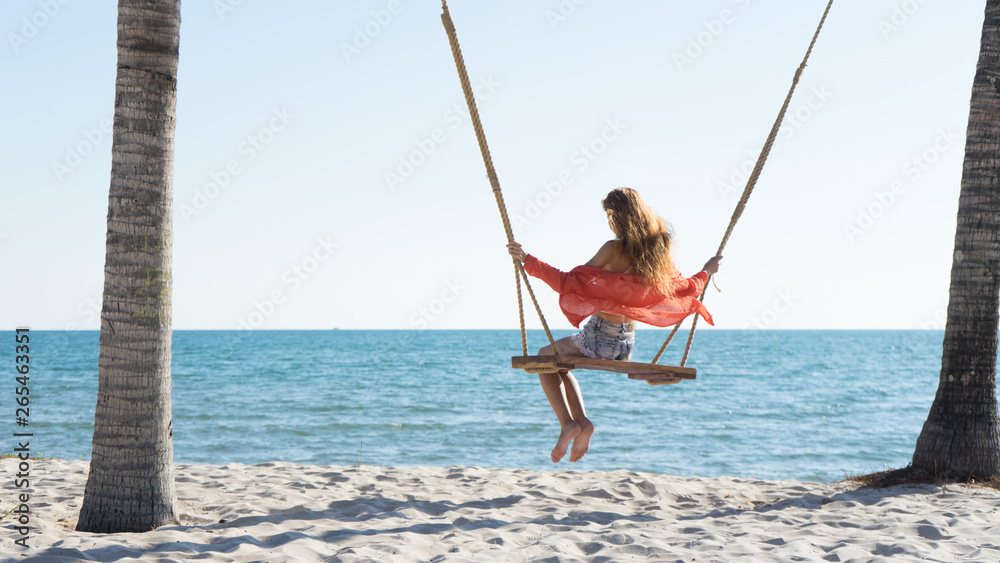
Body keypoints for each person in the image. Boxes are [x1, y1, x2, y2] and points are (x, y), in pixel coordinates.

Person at [506, 187, 722, 463]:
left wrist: (527, 260)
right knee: (558, 364)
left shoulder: (613, 249)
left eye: (610, 215)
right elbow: (685, 288)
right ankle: (582, 424)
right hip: (626, 345)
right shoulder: (658, 251)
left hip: (599, 338)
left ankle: (568, 424)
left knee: (542, 357)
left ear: (618, 217)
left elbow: (568, 282)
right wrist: (707, 270)